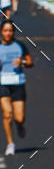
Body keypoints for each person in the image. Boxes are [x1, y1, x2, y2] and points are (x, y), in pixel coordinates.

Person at [0, 19, 33, 156]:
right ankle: (10, 143)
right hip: (3, 84)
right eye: (5, 30)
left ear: (13, 32)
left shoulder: (19, 45)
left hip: (18, 84)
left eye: (10, 30)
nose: (7, 33)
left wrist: (22, 62)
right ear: (1, 32)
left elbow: (30, 62)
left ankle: (19, 125)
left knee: (19, 118)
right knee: (7, 114)